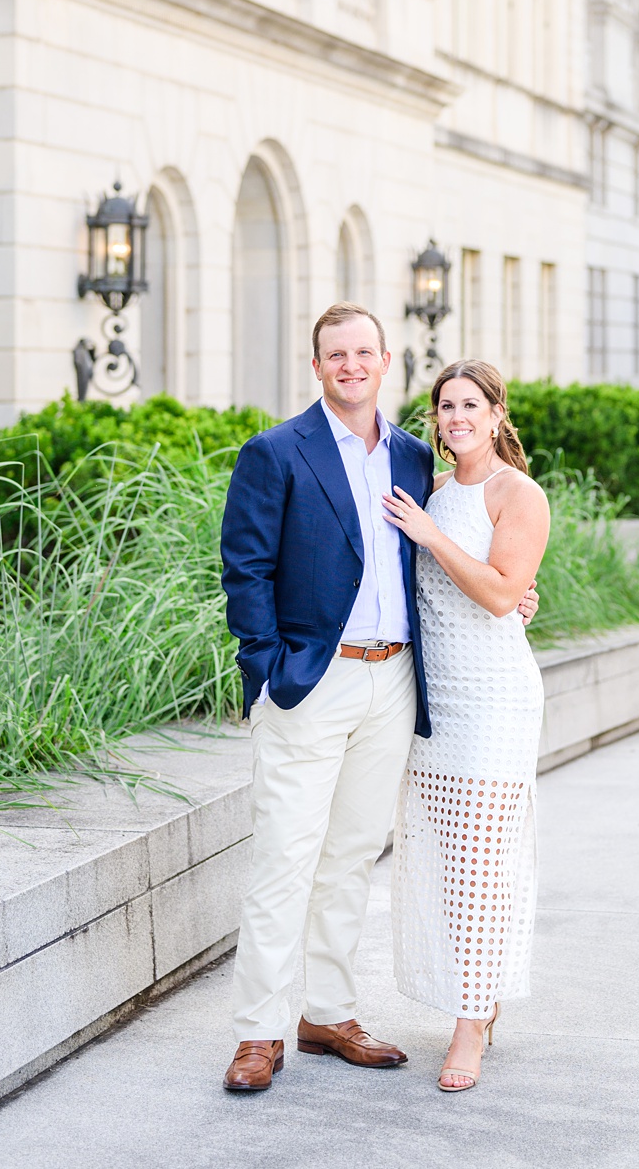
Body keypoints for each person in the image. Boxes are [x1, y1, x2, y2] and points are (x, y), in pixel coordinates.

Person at [216, 307, 534, 1095]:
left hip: (394, 681)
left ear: (385, 360)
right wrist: (267, 671)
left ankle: (327, 1012)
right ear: (317, 365)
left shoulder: (412, 455)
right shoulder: (275, 452)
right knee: (284, 855)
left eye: (364, 352)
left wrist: (521, 597)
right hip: (310, 681)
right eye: (336, 354)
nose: (351, 365)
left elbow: (465, 554)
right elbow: (244, 571)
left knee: (353, 855)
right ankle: (259, 1029)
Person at [379, 359, 552, 1093]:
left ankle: (469, 1025)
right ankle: (479, 995)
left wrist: (432, 536)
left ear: (496, 414)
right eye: (445, 405)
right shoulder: (436, 490)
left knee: (482, 862)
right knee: (451, 867)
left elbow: (499, 594)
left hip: (494, 700)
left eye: (469, 404)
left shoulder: (518, 493)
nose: (455, 416)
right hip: (436, 702)